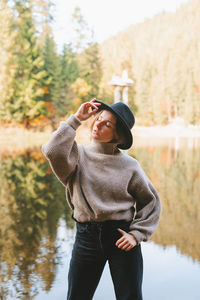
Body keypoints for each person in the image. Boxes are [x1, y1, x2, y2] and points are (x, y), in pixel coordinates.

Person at [42, 98, 161, 300]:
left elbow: (151, 202)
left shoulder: (130, 166)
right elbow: (52, 151)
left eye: (107, 124)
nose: (97, 124)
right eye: (99, 118)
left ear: (118, 136)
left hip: (122, 237)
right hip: (86, 237)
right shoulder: (77, 156)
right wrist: (76, 119)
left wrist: (136, 234)